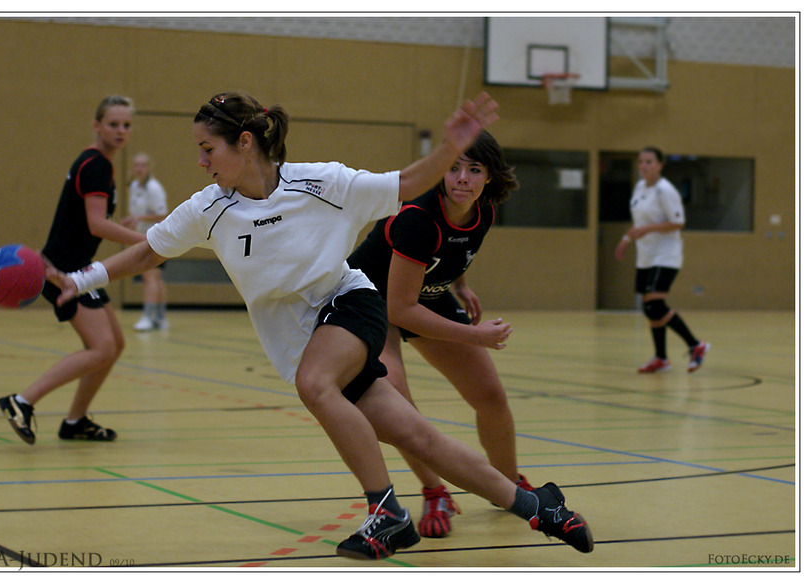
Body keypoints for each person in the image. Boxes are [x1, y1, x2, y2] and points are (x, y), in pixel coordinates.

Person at [46, 91, 593, 559]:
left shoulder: (322, 183)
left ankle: (387, 513)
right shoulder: (206, 208)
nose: (201, 161)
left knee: (315, 385)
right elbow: (147, 253)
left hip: (350, 304)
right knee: (415, 435)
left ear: (244, 143)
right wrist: (84, 278)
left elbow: (406, 182)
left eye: (207, 149)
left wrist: (451, 147)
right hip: (299, 337)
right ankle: (538, 506)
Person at [346, 130, 529, 539]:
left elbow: (453, 248)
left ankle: (507, 486)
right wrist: (474, 336)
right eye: (453, 168)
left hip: (423, 294)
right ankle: (435, 491)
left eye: (474, 169)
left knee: (490, 396)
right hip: (373, 304)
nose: (462, 178)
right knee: (400, 407)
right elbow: (399, 309)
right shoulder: (417, 217)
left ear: (489, 177)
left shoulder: (484, 211)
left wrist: (460, 285)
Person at [0, 96, 147, 445]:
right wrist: (147, 241)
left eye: (126, 125)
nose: (121, 131)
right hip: (65, 272)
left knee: (115, 344)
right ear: (97, 126)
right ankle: (21, 402)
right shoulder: (96, 165)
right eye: (113, 124)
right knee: (101, 348)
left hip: (80, 268)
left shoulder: (94, 162)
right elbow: (96, 224)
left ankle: (75, 421)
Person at [615, 147, 709, 373]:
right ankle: (661, 358)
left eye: (649, 162)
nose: (644, 166)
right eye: (641, 162)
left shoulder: (665, 190)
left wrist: (647, 229)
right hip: (646, 255)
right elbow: (639, 222)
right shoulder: (639, 187)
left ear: (659, 165)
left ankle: (696, 345)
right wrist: (626, 239)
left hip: (666, 254)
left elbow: (677, 223)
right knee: (649, 308)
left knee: (655, 304)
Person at [120, 152, 169, 331]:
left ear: (149, 168)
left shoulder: (154, 188)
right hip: (142, 238)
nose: (139, 169)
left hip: (155, 238)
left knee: (150, 277)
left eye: (143, 165)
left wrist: (139, 218)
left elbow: (162, 215)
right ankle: (161, 318)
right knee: (156, 277)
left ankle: (148, 317)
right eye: (136, 165)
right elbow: (140, 214)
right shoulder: (134, 186)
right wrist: (132, 219)